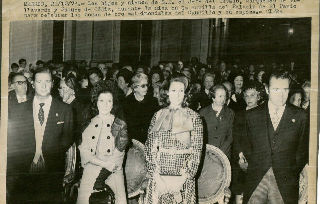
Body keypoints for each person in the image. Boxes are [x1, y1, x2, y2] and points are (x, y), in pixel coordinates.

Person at [232, 70, 308, 204]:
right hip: (256, 180)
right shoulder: (251, 116)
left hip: (285, 183)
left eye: (285, 89)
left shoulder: (300, 116)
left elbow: (302, 151)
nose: (281, 94)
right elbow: (245, 145)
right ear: (267, 89)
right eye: (276, 89)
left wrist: (289, 171)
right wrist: (253, 164)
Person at [7, 67, 73, 203]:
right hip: (24, 170)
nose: (43, 86)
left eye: (47, 81)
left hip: (52, 170)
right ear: (32, 84)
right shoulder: (19, 109)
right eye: (39, 81)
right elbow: (14, 141)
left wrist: (47, 154)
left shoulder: (65, 109)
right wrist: (30, 157)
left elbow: (67, 138)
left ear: (52, 83)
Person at [144, 77, 203, 203]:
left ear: (185, 94)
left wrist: (185, 177)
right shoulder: (158, 115)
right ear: (167, 92)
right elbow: (150, 147)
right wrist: (155, 175)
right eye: (174, 90)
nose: (177, 94)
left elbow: (196, 151)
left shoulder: (194, 117)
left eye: (181, 91)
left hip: (183, 177)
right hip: (159, 175)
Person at [77, 88, 128, 204]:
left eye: (109, 101)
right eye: (102, 101)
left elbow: (120, 152)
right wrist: (101, 164)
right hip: (93, 165)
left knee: (120, 199)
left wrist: (107, 166)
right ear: (96, 102)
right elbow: (84, 150)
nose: (105, 105)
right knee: (83, 198)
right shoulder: (89, 122)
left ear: (113, 103)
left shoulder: (119, 123)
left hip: (113, 169)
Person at [199, 85, 234, 158]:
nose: (223, 99)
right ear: (213, 97)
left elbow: (230, 136)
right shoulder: (203, 112)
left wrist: (220, 152)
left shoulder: (230, 113)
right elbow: (200, 135)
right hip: (207, 154)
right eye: (220, 96)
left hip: (224, 153)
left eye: (224, 96)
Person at [123, 73, 159, 143]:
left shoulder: (153, 101)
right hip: (132, 142)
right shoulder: (126, 103)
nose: (146, 88)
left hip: (150, 141)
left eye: (147, 85)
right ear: (135, 87)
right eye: (143, 86)